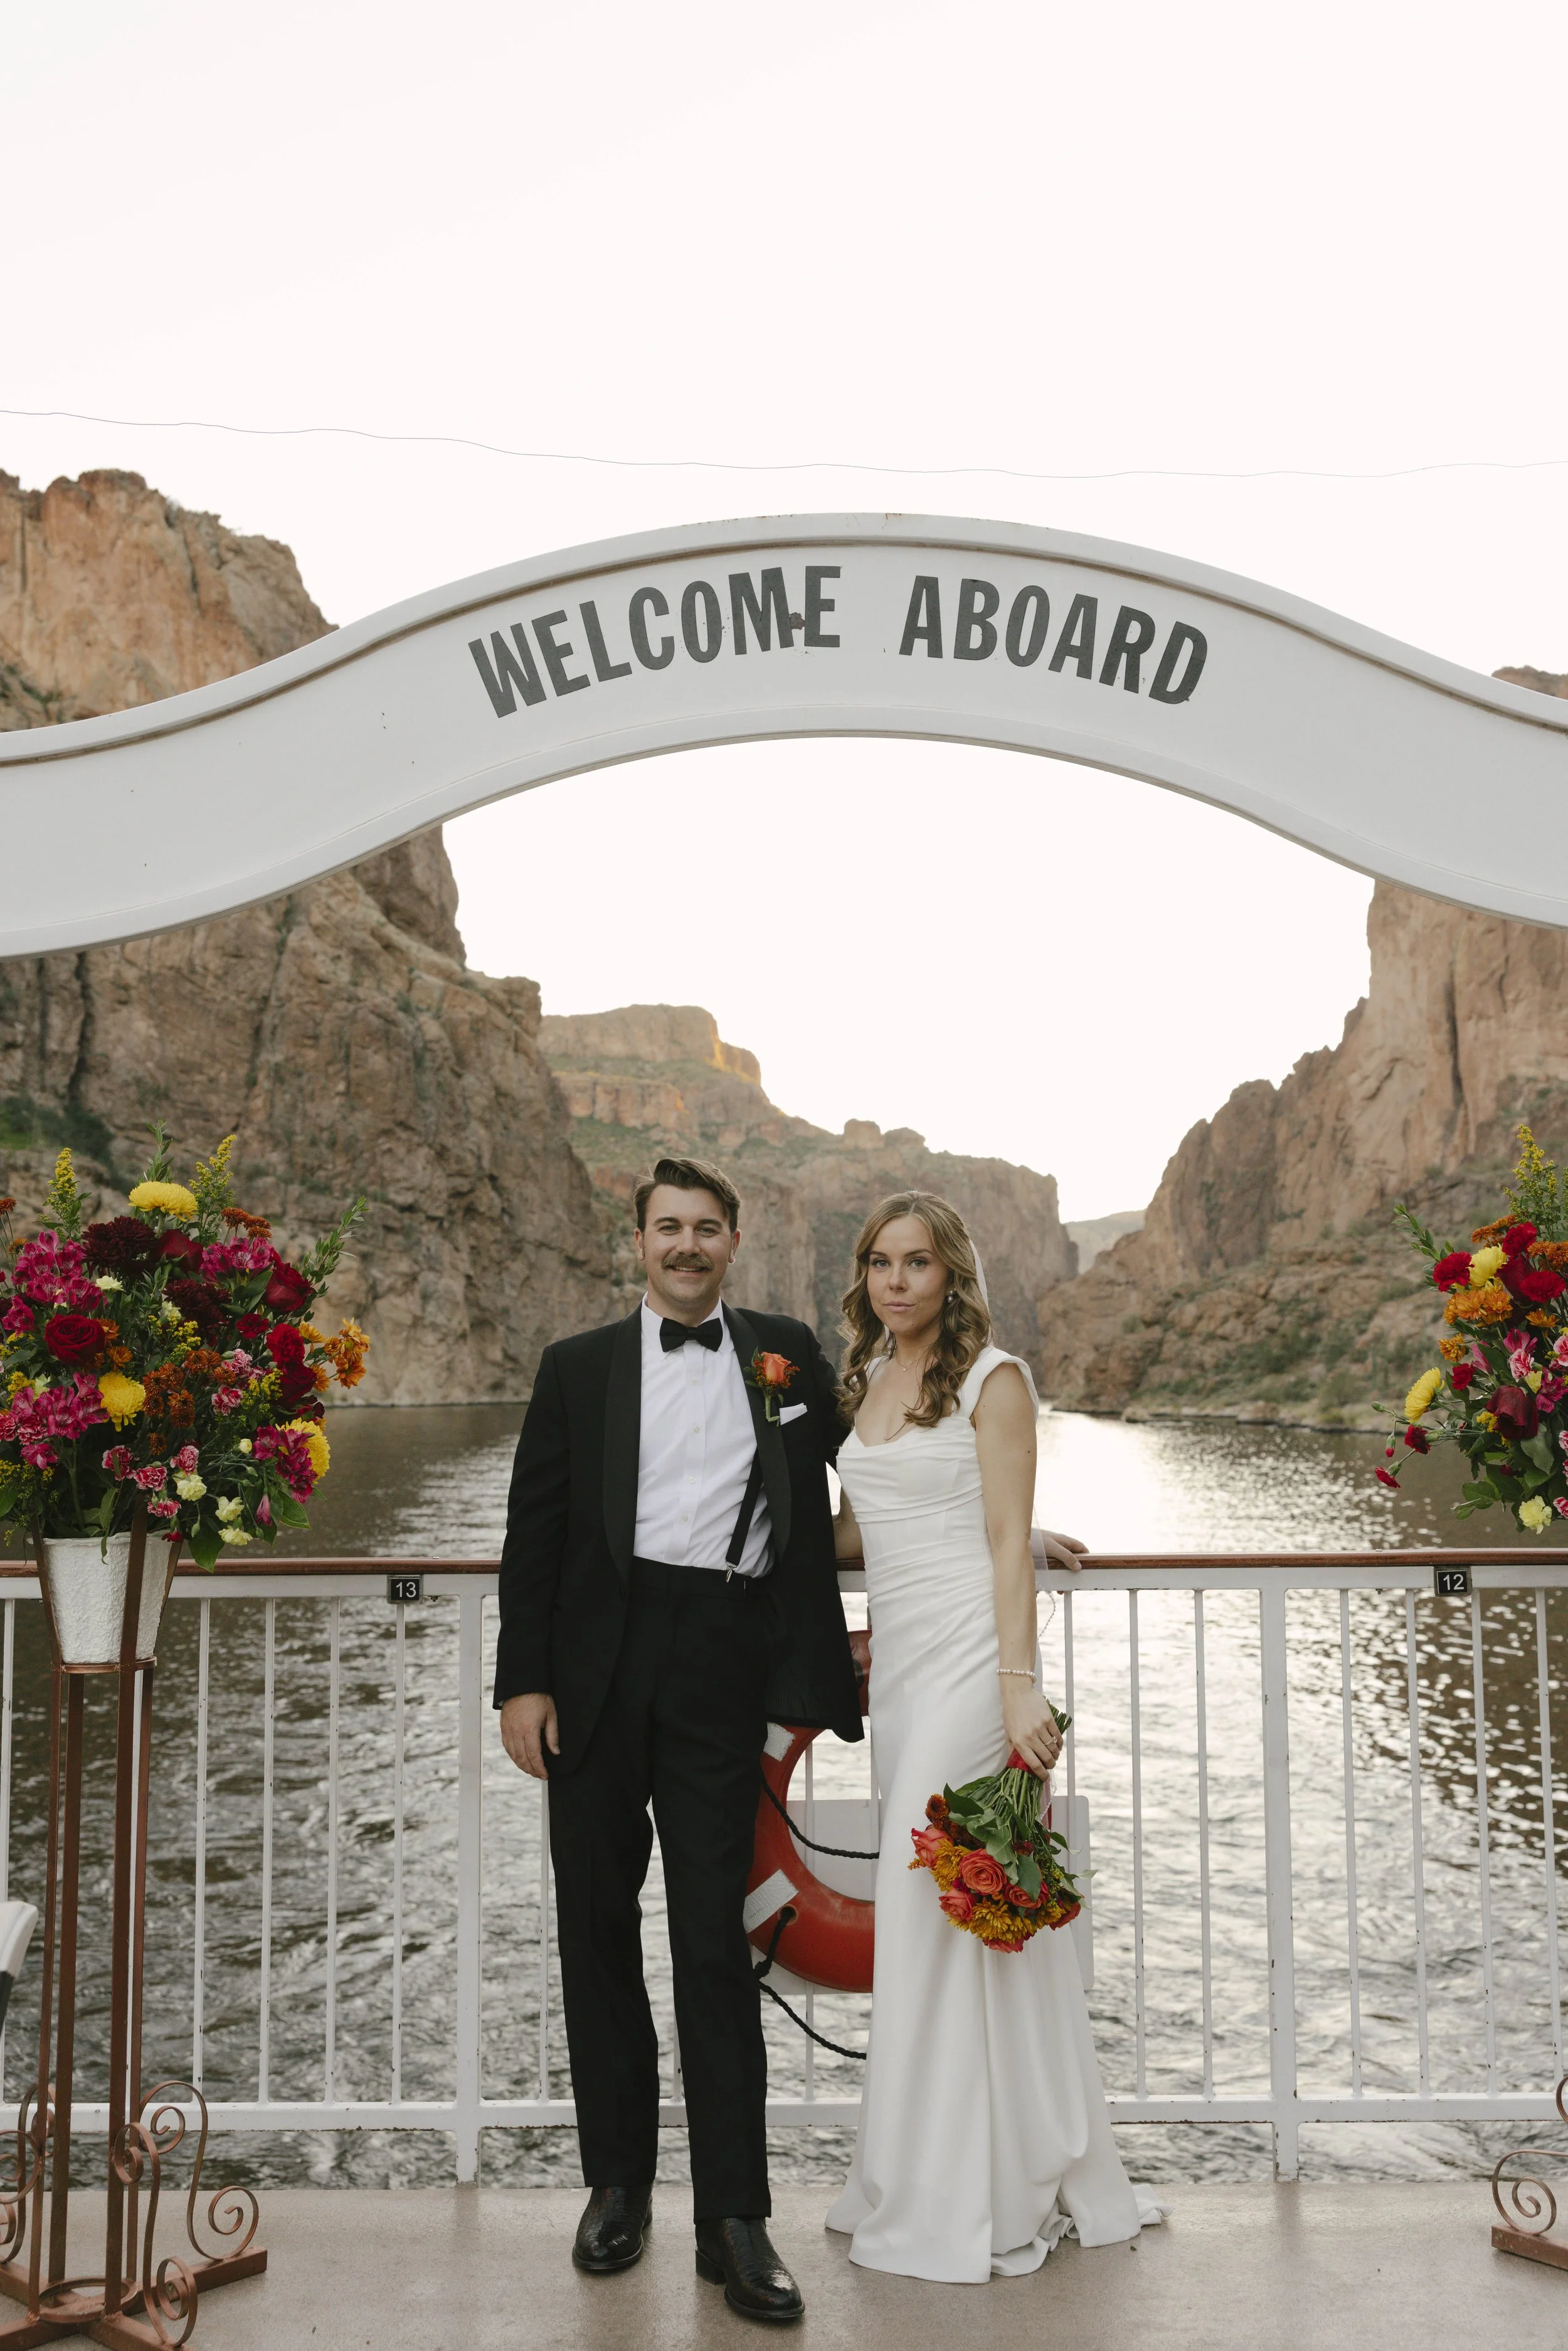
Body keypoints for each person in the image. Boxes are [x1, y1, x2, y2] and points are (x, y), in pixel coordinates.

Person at [494, 1154, 861, 2324]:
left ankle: (735, 2220)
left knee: (712, 1941)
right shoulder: (577, 1369)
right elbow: (534, 1539)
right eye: (670, 1229)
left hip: (722, 1664)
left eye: (708, 1229)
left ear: (732, 1244)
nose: (688, 1246)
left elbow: (883, 1475)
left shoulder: (788, 1353)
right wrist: (523, 1685)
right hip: (593, 1675)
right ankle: (617, 2188)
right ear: (638, 1241)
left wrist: (1006, 1526)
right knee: (595, 1929)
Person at [825, 1191, 1163, 2283]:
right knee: (950, 1914)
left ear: (950, 1274)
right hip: (907, 1665)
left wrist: (1021, 1691)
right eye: (881, 1262)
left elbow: (1005, 1550)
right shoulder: (865, 1380)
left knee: (932, 1906)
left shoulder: (993, 1378)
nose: (896, 1282)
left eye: (917, 1263)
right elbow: (861, 1527)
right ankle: (945, 2156)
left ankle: (954, 2188)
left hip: (978, 1665)